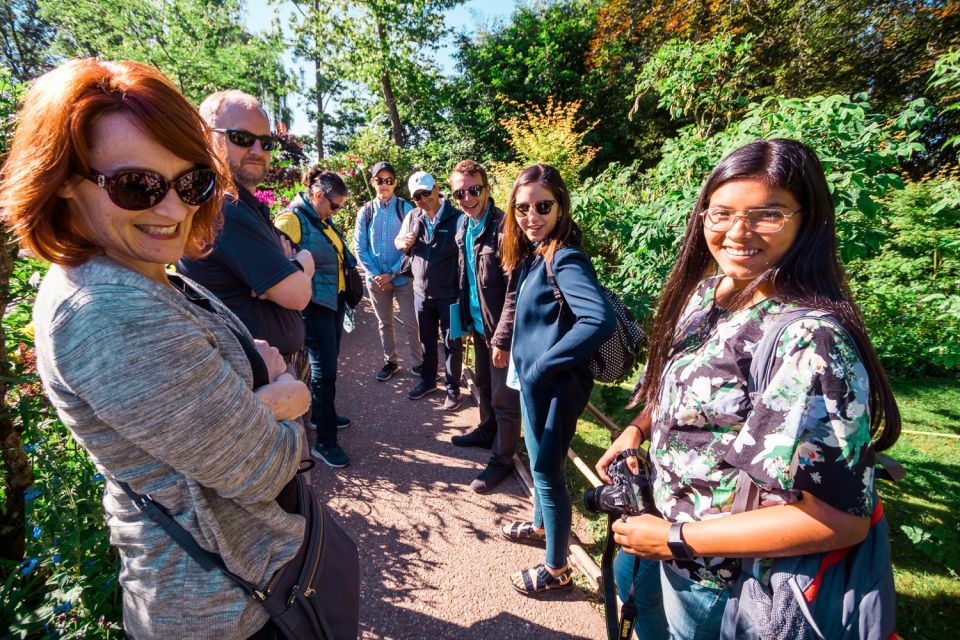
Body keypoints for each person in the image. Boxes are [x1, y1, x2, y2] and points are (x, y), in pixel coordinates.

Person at [0, 59, 310, 639]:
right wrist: (286, 398)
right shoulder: (107, 309)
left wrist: (247, 396)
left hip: (246, 585)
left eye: (191, 182)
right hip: (223, 609)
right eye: (135, 185)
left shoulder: (140, 269)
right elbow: (263, 466)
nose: (171, 210)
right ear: (65, 179)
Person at [597, 138, 901, 638]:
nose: (738, 232)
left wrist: (675, 537)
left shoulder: (809, 338)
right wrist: (636, 428)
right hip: (659, 535)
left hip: (724, 582)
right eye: (721, 214)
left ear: (808, 220)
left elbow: (841, 520)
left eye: (768, 215)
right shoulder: (708, 293)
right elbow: (676, 385)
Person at [498, 164, 615, 595]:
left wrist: (543, 366)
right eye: (522, 208)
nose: (531, 216)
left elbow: (597, 319)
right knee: (538, 460)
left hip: (556, 384)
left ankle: (556, 568)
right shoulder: (537, 252)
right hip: (536, 383)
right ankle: (539, 525)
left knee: (547, 470)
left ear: (561, 206)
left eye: (542, 206)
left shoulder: (564, 256)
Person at [176, 90, 313, 400]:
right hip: (256, 380)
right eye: (240, 137)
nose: (257, 149)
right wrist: (295, 268)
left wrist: (293, 266)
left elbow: (302, 256)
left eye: (266, 142)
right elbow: (298, 294)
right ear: (206, 136)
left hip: (272, 370)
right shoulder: (224, 208)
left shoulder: (244, 205)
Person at [449, 160, 521, 494]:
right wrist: (462, 317)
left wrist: (504, 338)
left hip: (502, 331)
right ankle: (485, 430)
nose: (467, 198)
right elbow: (466, 277)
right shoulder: (464, 225)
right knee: (483, 383)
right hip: (479, 326)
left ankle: (502, 460)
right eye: (459, 193)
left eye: (473, 189)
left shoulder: (506, 228)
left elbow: (514, 288)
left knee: (506, 399)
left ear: (488, 188)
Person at [274, 169, 354, 468]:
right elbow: (277, 261)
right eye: (334, 205)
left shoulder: (321, 219)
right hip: (315, 306)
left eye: (340, 208)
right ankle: (325, 442)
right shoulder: (292, 220)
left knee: (329, 365)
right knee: (325, 372)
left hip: (332, 303)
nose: (336, 211)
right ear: (317, 195)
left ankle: (324, 417)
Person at [395, 171, 464, 410]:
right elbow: (398, 241)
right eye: (417, 196)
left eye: (426, 192)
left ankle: (453, 388)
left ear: (436, 188)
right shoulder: (413, 216)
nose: (423, 199)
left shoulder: (458, 218)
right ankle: (428, 380)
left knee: (452, 343)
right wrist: (403, 243)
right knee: (426, 340)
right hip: (421, 293)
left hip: (450, 295)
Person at [354, 161, 422, 382]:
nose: (384, 185)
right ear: (373, 182)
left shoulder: (406, 209)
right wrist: (376, 275)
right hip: (377, 281)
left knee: (412, 323)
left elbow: (413, 246)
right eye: (380, 180)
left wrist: (392, 274)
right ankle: (390, 362)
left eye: (389, 181)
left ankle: (418, 364)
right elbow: (360, 247)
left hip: (402, 277)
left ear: (395, 183)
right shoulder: (366, 211)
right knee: (385, 323)